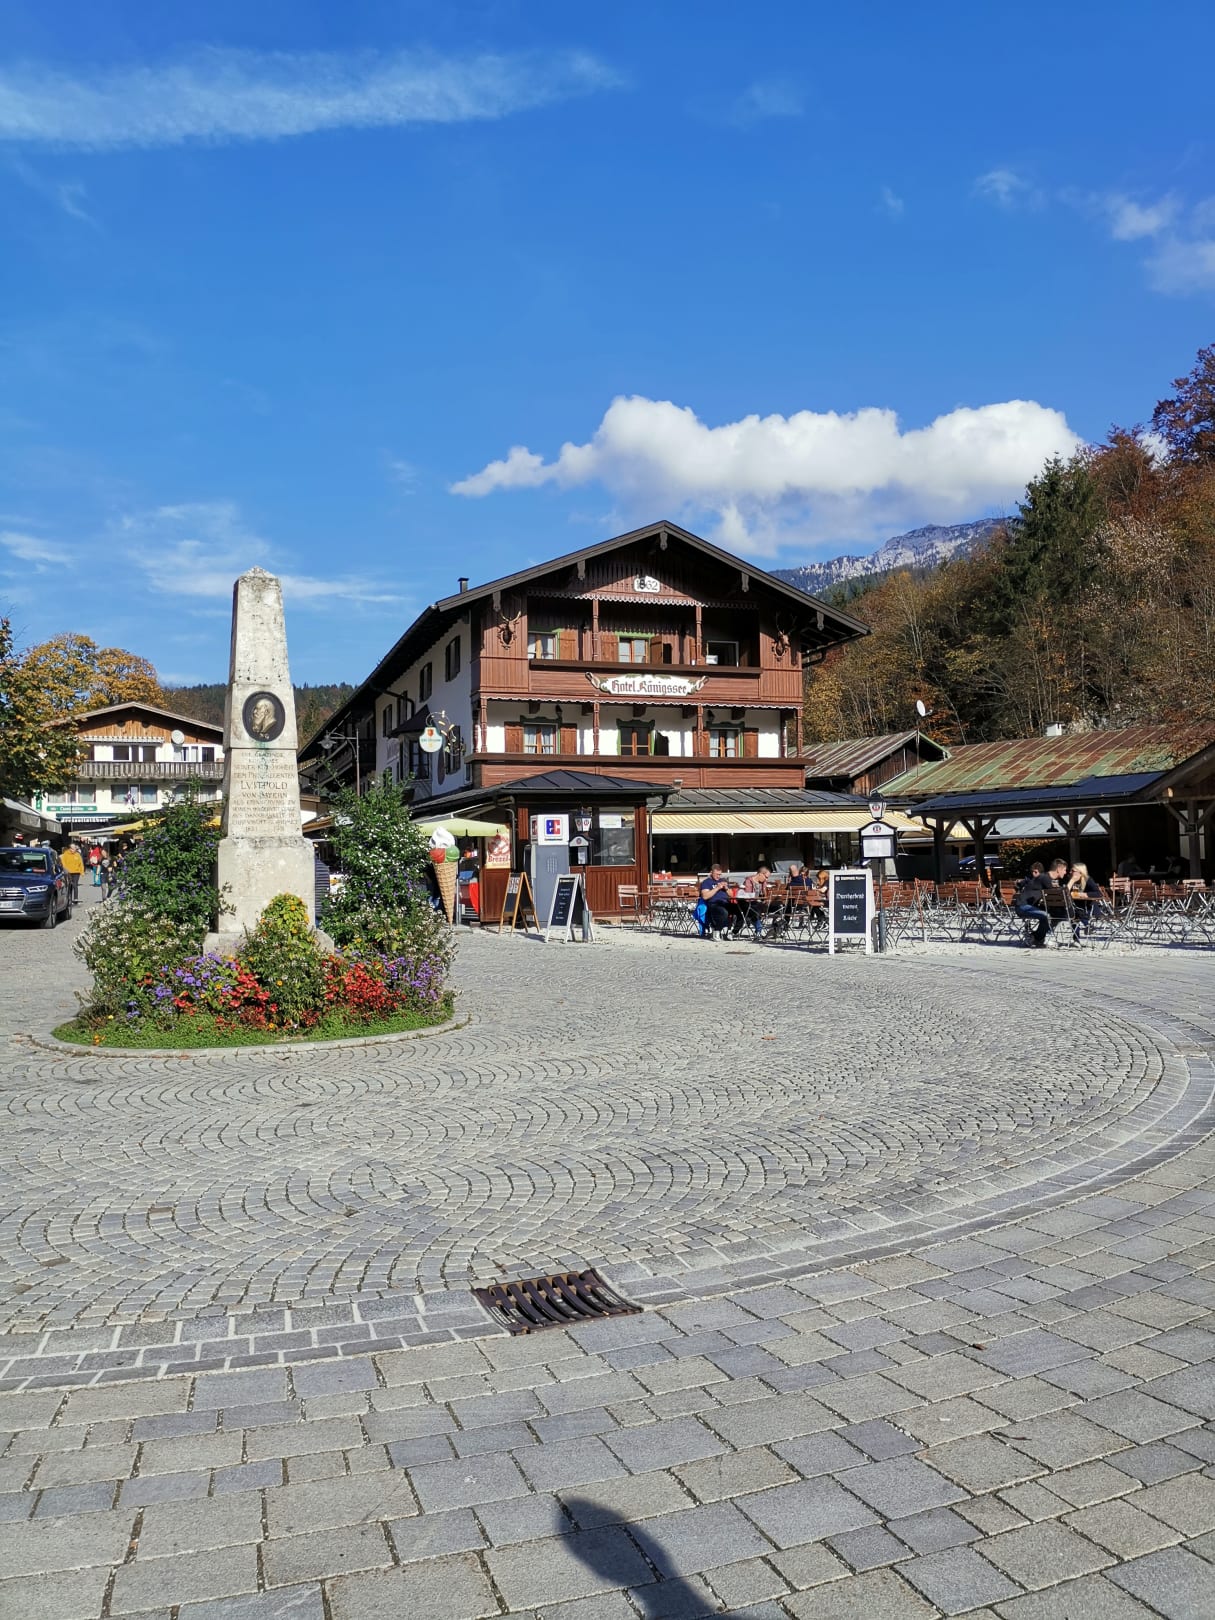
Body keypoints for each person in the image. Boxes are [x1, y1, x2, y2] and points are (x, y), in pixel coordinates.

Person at [1015, 858, 1066, 947]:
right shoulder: (1045, 878)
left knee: (1058, 915)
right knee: (1048, 916)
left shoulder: (1045, 877)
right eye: (1064, 870)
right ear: (1058, 869)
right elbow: (1057, 895)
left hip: (1029, 906)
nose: (1065, 872)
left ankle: (1038, 938)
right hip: (1023, 906)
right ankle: (1036, 937)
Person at [1067, 861, 1108, 939]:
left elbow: (1098, 894)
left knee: (1075, 912)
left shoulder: (1088, 880)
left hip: (1089, 908)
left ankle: (1086, 927)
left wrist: (1083, 894)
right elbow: (1065, 893)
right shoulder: (1072, 881)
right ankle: (1081, 933)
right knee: (1073, 912)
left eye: (1072, 871)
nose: (1070, 872)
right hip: (1077, 907)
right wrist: (1072, 881)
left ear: (1080, 872)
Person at [698, 864, 731, 941]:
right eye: (717, 874)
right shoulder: (706, 882)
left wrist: (726, 888)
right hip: (714, 903)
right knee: (723, 912)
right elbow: (705, 896)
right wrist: (717, 888)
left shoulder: (723, 881)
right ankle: (716, 931)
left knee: (740, 910)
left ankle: (733, 932)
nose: (718, 876)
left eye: (720, 874)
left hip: (725, 903)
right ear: (711, 873)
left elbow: (732, 895)